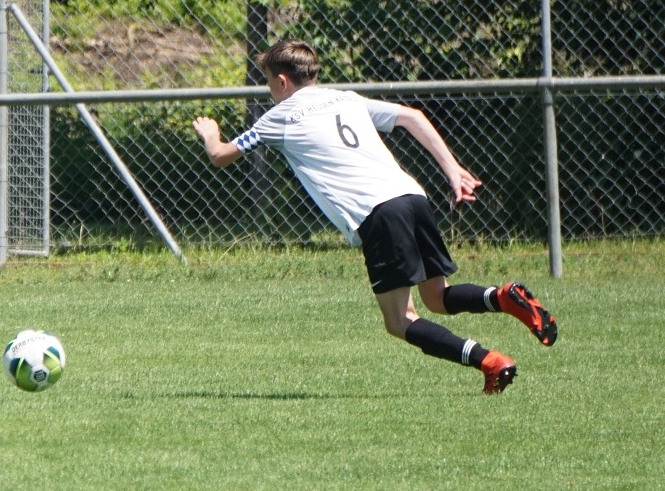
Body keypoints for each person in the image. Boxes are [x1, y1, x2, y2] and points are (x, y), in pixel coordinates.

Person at [192, 39, 557, 394]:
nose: (270, 89)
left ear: (282, 81)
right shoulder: (345, 98)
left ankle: (490, 362)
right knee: (437, 297)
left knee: (400, 320)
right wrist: (453, 170)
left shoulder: (279, 117)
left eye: (269, 81)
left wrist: (210, 134)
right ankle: (504, 296)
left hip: (378, 212)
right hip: (412, 196)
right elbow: (412, 117)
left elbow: (221, 155)